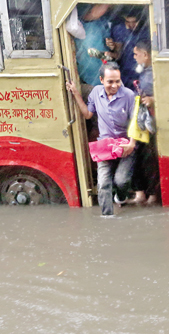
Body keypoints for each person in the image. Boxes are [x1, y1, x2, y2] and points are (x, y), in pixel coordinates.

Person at [66, 62, 137, 217]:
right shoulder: (95, 93)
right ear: (101, 80)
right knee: (103, 183)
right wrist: (76, 94)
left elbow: (134, 122)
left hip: (125, 145)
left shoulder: (129, 95)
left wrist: (132, 143)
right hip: (105, 146)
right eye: (110, 81)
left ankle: (121, 197)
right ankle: (107, 218)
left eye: (117, 81)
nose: (114, 85)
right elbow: (87, 114)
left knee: (121, 181)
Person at [125, 40, 160, 206]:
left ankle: (152, 194)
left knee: (148, 158)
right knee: (139, 156)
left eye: (136, 54)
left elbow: (167, 94)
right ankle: (142, 194)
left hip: (150, 122)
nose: (134, 57)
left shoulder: (156, 73)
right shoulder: (146, 72)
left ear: (145, 55)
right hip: (140, 120)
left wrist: (154, 99)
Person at [107, 11, 148, 89]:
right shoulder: (119, 29)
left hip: (142, 73)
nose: (131, 25)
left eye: (134, 22)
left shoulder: (147, 31)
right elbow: (118, 53)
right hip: (125, 72)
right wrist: (112, 49)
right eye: (127, 22)